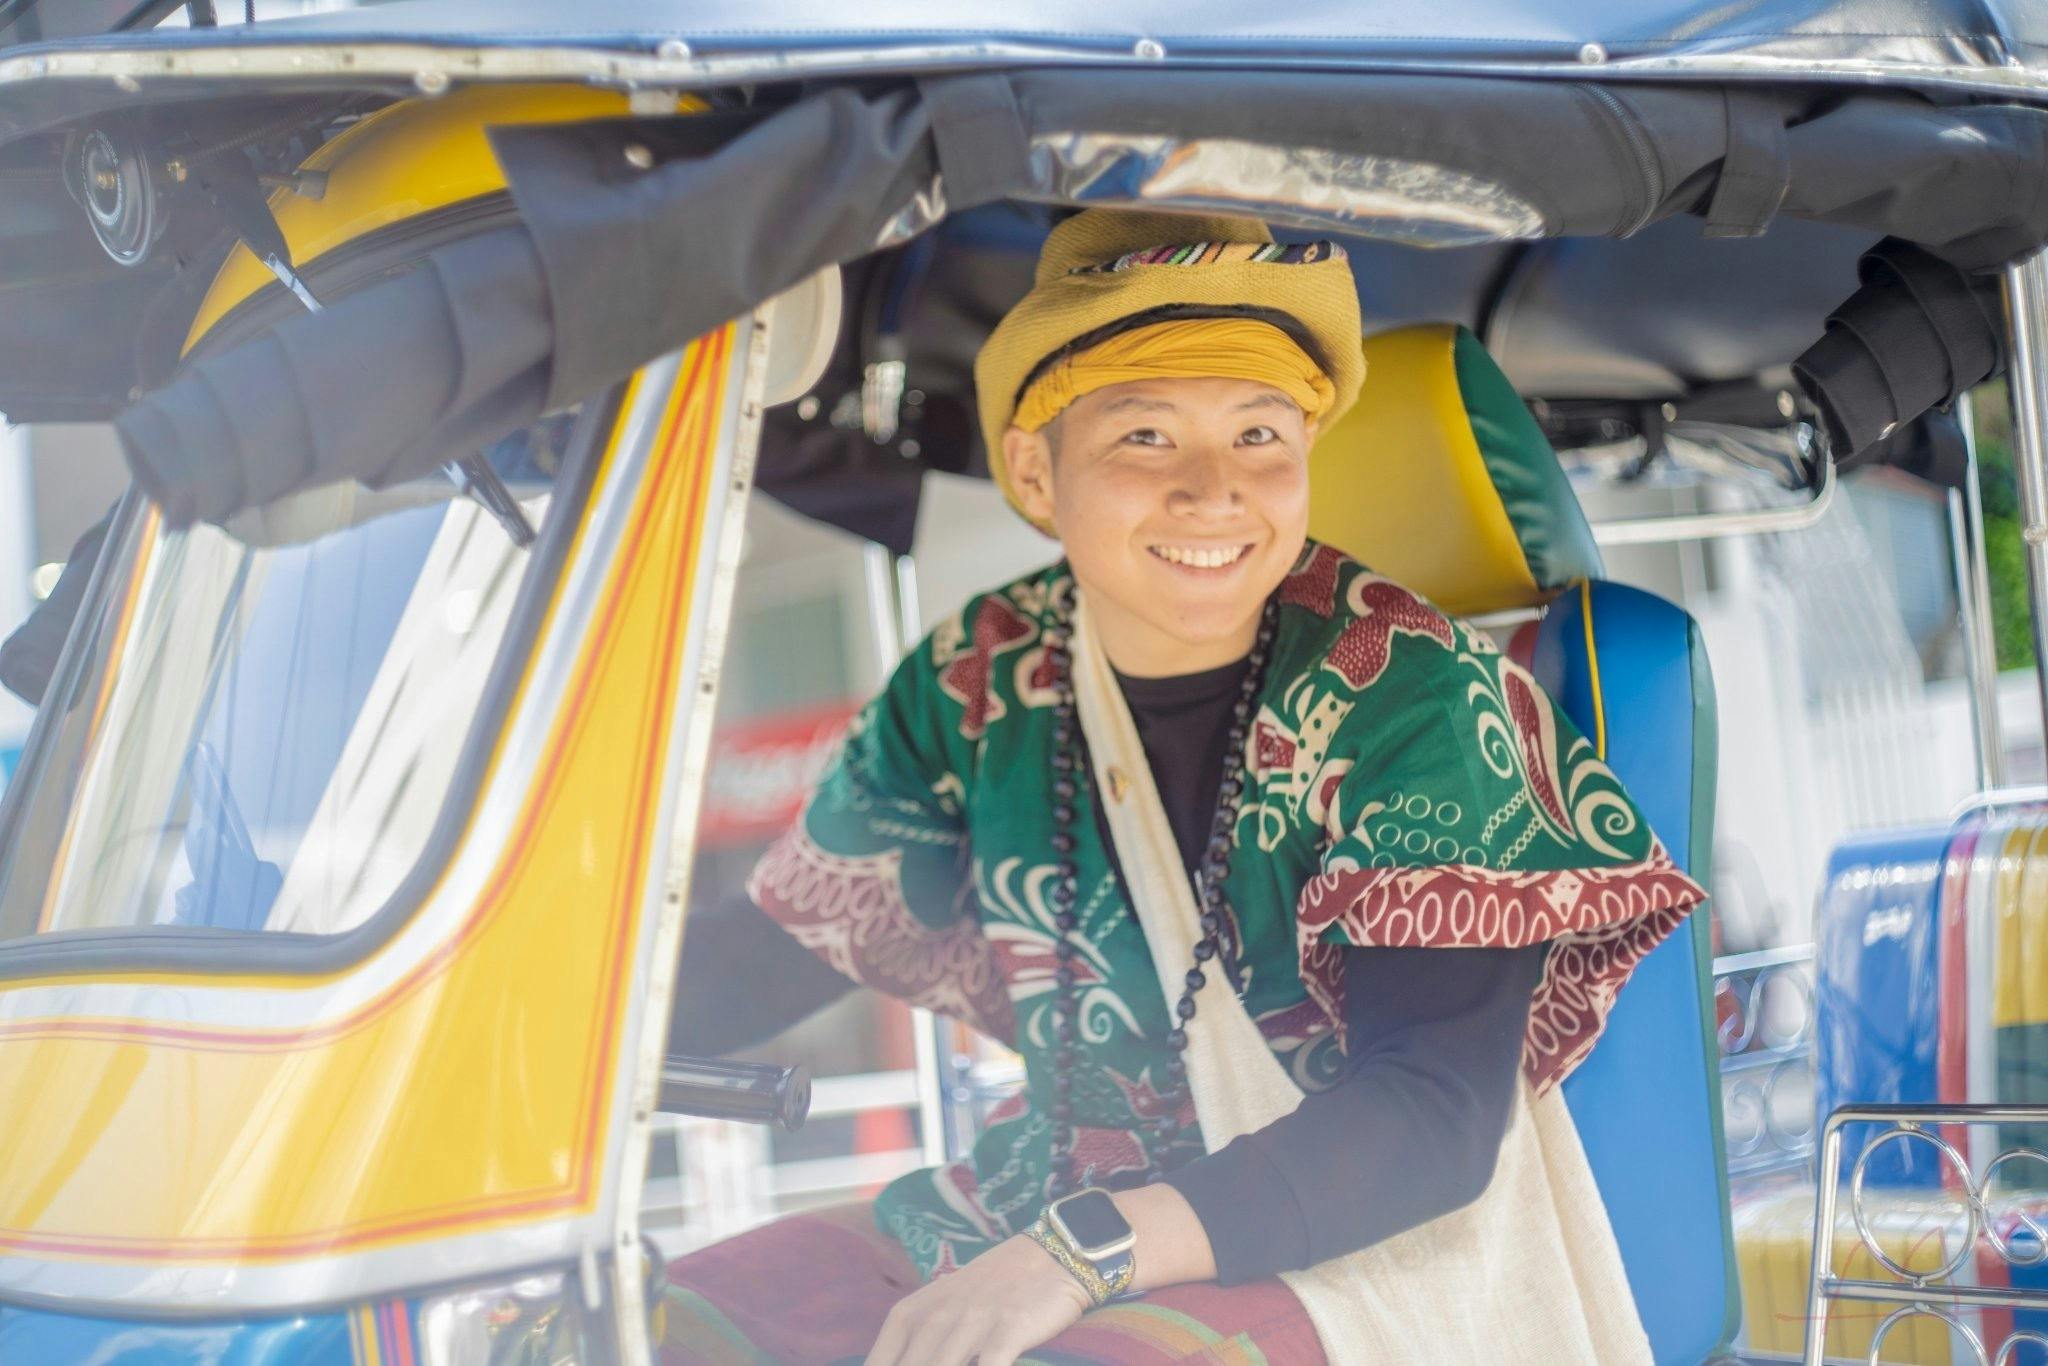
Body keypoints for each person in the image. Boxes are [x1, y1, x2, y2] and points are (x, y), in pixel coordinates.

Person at [660, 210, 1706, 1365]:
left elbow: (1427, 1116)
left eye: (1258, 433)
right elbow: (782, 940)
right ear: (1035, 471)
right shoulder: (979, 674)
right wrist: (547, 1033)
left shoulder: (1415, 694)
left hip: (1350, 1243)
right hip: (1036, 1200)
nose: (1214, 490)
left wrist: (1070, 1260)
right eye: (1146, 435)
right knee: (656, 1326)